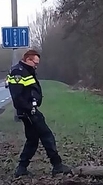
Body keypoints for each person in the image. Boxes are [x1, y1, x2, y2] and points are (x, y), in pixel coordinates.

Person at [6, 48, 72, 177]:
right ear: (27, 59)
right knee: (47, 136)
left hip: (30, 110)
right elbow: (17, 96)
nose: (36, 66)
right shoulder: (18, 72)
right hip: (28, 112)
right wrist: (29, 107)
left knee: (32, 140)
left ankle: (21, 168)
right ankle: (57, 165)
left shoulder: (27, 70)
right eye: (35, 63)